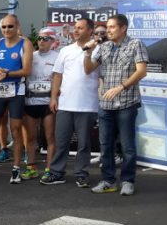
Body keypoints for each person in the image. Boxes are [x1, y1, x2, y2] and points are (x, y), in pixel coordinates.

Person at [84, 14, 148, 196]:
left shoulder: (135, 44)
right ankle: (108, 180)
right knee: (105, 144)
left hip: (127, 103)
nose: (108, 30)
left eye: (112, 27)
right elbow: (88, 69)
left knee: (127, 145)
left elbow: (141, 71)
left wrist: (121, 87)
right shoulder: (104, 47)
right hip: (105, 104)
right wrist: (88, 52)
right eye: (107, 27)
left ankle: (127, 181)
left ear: (123, 28)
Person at [41, 18, 99, 187]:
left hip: (87, 105)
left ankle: (81, 174)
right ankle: (57, 173)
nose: (76, 30)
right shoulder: (65, 50)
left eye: (80, 28)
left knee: (84, 144)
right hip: (65, 104)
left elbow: (100, 76)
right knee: (61, 141)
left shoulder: (98, 50)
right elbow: (57, 75)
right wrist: (53, 97)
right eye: (75, 28)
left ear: (90, 31)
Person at [0, 14, 33, 184]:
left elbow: (26, 70)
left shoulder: (25, 43)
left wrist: (5, 74)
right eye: (4, 27)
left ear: (17, 26)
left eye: (10, 26)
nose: (7, 30)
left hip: (16, 91)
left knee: (16, 130)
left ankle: (16, 168)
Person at [23, 27, 59, 180]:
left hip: (47, 103)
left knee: (50, 137)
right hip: (30, 101)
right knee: (31, 137)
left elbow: (59, 79)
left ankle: (49, 168)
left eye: (45, 39)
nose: (41, 41)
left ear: (52, 41)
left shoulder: (58, 57)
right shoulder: (31, 56)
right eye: (39, 38)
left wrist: (54, 98)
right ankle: (31, 167)